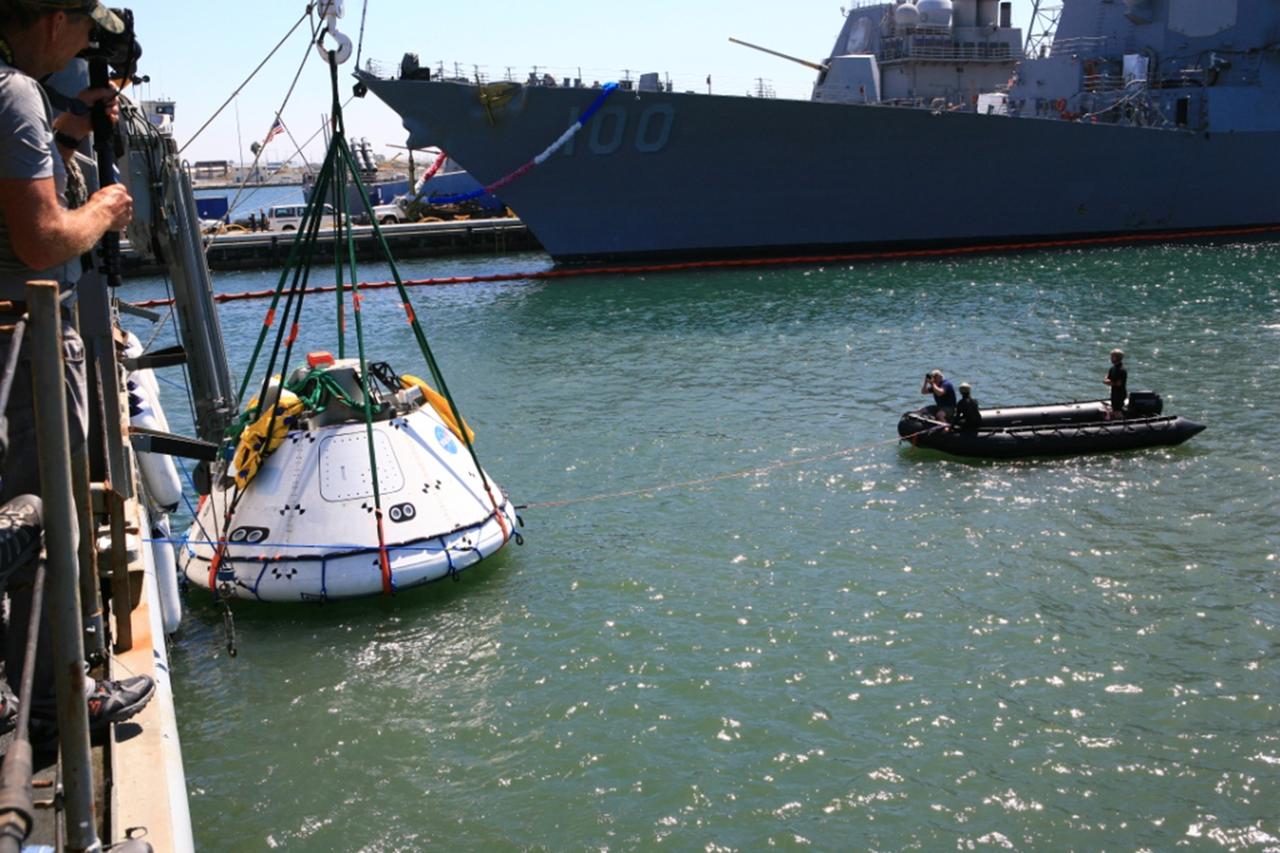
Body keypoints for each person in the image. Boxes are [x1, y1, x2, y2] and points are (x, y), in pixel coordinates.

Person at [0, 0, 152, 738]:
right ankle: (58, 702)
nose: (86, 44)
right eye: (83, 29)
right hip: (21, 338)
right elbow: (41, 239)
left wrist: (65, 135)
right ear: (54, 17)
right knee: (41, 512)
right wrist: (103, 209)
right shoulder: (13, 92)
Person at [1103, 348, 1127, 419]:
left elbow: (1118, 383)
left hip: (1120, 393)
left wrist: (1108, 382)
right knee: (1114, 410)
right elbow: (1107, 377)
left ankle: (1122, 423)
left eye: (1112, 356)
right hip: (1114, 392)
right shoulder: (1113, 368)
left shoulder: (1121, 370)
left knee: (1117, 411)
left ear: (1116, 357)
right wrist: (1107, 381)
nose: (1110, 358)